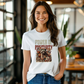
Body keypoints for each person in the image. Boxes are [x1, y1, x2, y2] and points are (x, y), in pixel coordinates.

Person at [21, 1, 66, 84]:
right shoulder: (27, 36)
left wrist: (60, 74)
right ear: (34, 15)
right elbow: (26, 62)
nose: (41, 16)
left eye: (44, 12)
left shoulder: (58, 33)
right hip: (34, 78)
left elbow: (63, 57)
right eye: (38, 13)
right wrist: (24, 82)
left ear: (49, 14)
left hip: (53, 78)